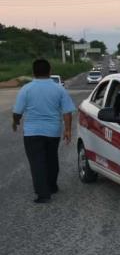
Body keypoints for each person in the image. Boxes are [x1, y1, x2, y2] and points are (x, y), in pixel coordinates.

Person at [12, 59, 76, 203]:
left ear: (33, 72)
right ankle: (52, 186)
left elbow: (17, 112)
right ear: (50, 71)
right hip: (53, 131)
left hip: (32, 133)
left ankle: (43, 194)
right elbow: (67, 112)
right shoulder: (59, 89)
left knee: (37, 162)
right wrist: (67, 130)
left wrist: (15, 122)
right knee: (51, 158)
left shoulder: (26, 89)